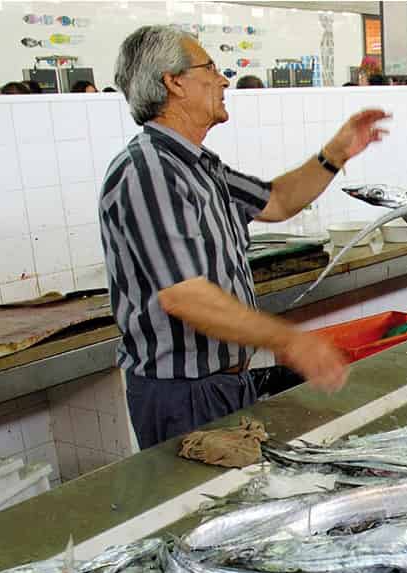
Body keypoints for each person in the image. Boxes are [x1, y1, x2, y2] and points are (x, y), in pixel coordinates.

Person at [101, 25, 387, 447]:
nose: (223, 80)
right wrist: (291, 341)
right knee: (199, 506)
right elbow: (184, 296)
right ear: (173, 82)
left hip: (222, 385)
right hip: (182, 394)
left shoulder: (198, 166)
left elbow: (277, 200)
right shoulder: (150, 172)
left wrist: (336, 152)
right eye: (211, 68)